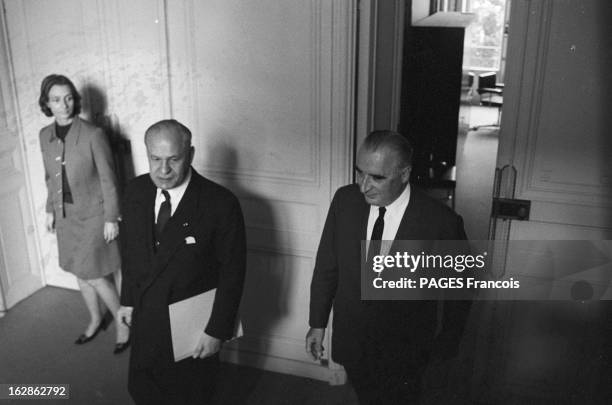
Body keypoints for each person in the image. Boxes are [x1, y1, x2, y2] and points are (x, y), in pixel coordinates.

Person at [306, 130, 470, 404]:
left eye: (377, 177)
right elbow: (327, 265)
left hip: (406, 350)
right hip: (353, 341)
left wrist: (447, 342)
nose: (363, 186)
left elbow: (461, 286)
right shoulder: (344, 201)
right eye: (360, 173)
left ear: (404, 174)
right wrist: (317, 323)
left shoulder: (441, 222)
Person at [117, 119, 246, 404]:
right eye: (155, 159)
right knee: (144, 393)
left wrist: (217, 330)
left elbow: (233, 274)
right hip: (146, 318)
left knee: (188, 396)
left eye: (174, 159)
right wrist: (126, 300)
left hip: (190, 329)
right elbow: (130, 252)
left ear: (191, 154)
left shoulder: (221, 204)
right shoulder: (135, 190)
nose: (163, 170)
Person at [38, 74, 130, 353]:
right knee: (80, 273)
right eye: (56, 100)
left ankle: (121, 322)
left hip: (93, 216)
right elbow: (49, 177)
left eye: (68, 98)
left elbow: (108, 180)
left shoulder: (93, 134)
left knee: (92, 273)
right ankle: (94, 319)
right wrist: (50, 210)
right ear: (47, 103)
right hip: (66, 217)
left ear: (75, 100)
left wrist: (111, 218)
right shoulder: (44, 135)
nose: (64, 105)